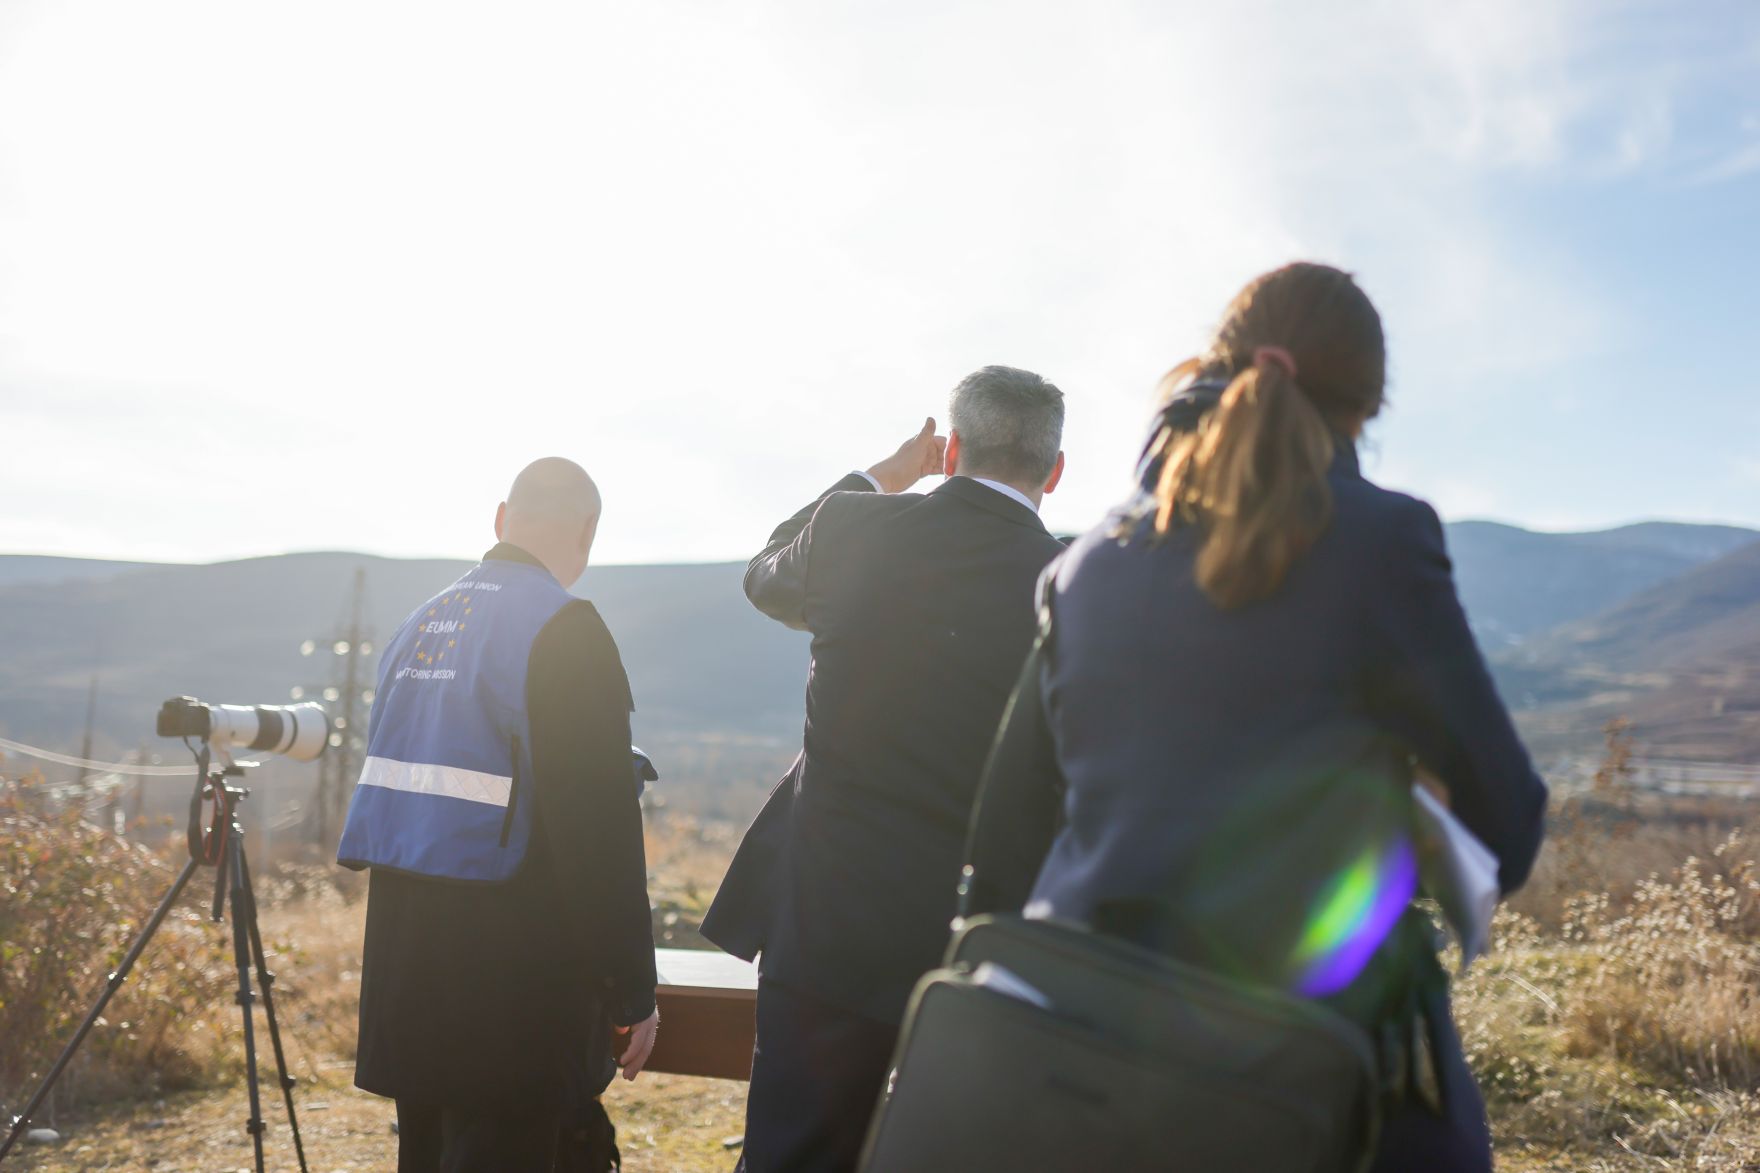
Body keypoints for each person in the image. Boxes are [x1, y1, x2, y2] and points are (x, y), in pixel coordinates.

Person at [962, 264, 1548, 1172]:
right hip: (1301, 1056)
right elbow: (1506, 823)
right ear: (1366, 408)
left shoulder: (1085, 565)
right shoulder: (1381, 539)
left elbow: (1005, 831)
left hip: (1087, 1042)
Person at [702, 367, 1069, 1172]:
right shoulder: (1071, 583)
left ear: (953, 449)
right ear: (1055, 469)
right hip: (977, 957)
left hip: (826, 933)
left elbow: (764, 571)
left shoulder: (852, 529)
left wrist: (883, 477)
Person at [337, 457, 660, 1173]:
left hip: (405, 965)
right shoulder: (565, 628)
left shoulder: (419, 624)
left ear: (501, 518)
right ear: (588, 531)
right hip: (510, 985)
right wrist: (632, 989)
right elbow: (598, 832)